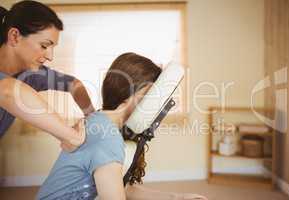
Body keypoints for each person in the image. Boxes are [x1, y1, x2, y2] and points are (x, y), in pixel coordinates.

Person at [37, 52, 207, 200]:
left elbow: (120, 187)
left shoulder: (100, 120)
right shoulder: (107, 137)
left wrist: (175, 197)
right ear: (133, 94)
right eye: (150, 96)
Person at [0, 1, 95, 151]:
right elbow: (7, 91)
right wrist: (72, 136)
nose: (50, 56)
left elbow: (74, 84)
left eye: (52, 48)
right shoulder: (8, 87)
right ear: (14, 36)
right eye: (44, 46)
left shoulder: (31, 74)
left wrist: (92, 118)